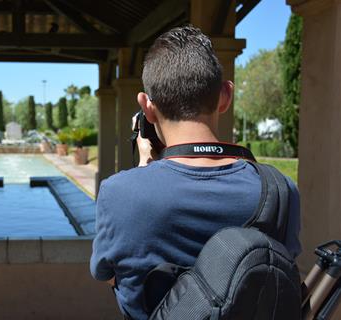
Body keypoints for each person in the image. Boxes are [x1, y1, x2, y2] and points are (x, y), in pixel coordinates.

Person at [90, 26, 301, 320]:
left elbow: (111, 276)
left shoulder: (119, 193)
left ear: (147, 109)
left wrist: (141, 172)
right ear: (225, 96)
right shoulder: (280, 189)